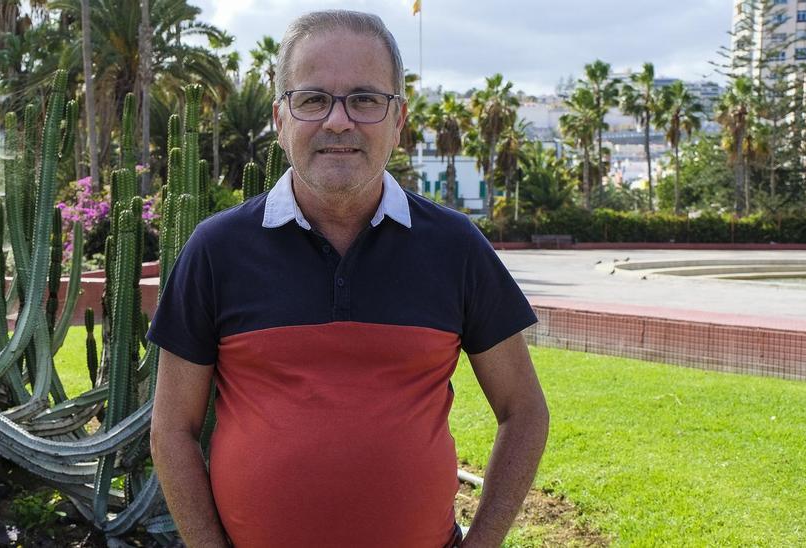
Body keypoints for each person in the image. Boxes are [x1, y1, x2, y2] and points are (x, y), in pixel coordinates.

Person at [147, 10, 549, 548]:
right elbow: (171, 429)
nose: (339, 121)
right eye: (313, 99)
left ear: (399, 118)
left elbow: (524, 412)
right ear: (280, 117)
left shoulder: (456, 248)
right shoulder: (216, 251)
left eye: (364, 99)